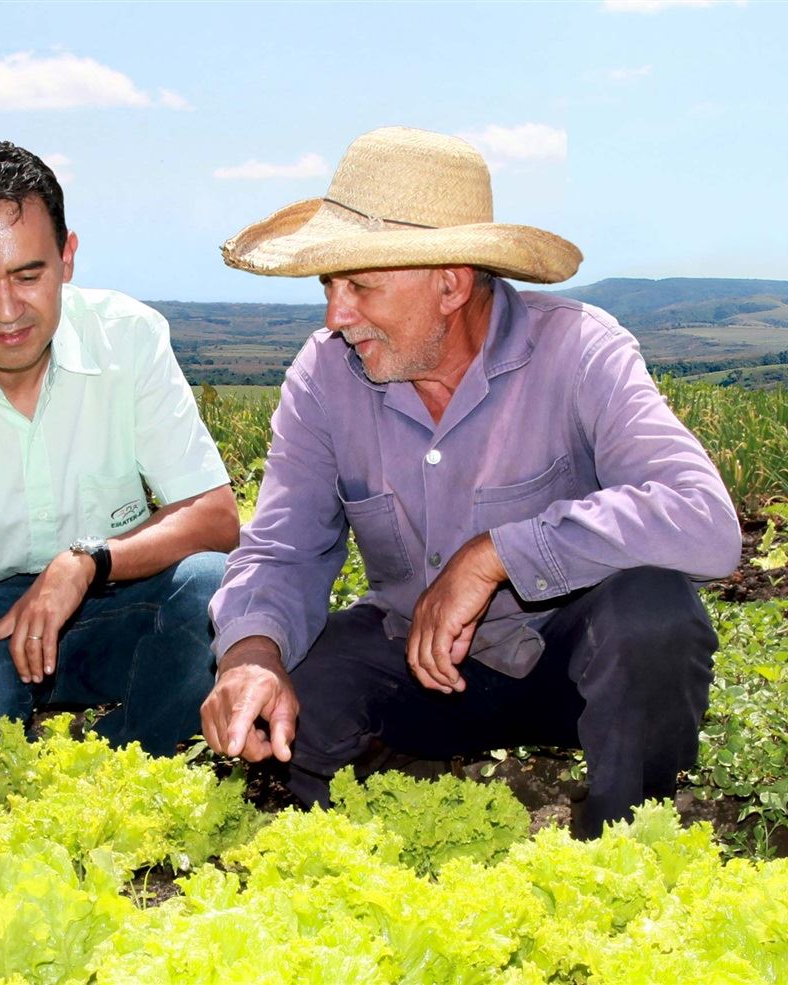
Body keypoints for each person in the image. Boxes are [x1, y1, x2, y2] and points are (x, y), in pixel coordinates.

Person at [200, 126, 741, 837]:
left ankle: (623, 845)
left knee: (654, 613)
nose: (337, 315)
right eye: (330, 286)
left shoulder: (580, 350)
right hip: (409, 661)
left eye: (360, 285)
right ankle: (381, 799)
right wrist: (250, 655)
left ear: (451, 282)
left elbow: (704, 520)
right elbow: (283, 549)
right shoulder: (325, 373)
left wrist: (497, 554)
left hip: (566, 668)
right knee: (307, 689)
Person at [0, 141, 238, 770]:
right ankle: (103, 757)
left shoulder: (129, 337)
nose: (7, 311)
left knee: (213, 590)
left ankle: (118, 762)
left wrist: (85, 562)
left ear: (68, 257)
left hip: (112, 594)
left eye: (29, 275)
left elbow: (216, 517)